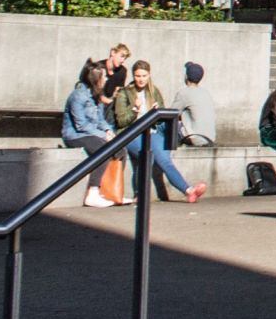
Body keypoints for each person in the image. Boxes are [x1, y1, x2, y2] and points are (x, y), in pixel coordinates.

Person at [110, 60, 205, 202]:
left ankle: (188, 190)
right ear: (133, 76)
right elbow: (121, 121)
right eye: (138, 76)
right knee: (148, 155)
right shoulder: (125, 93)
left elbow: (162, 118)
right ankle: (140, 194)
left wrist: (156, 113)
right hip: (131, 133)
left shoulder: (154, 91)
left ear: (149, 75)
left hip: (150, 132)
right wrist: (135, 109)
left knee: (165, 160)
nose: (141, 79)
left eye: (144, 76)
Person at [64, 58, 119, 208]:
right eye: (103, 76)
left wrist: (108, 130)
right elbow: (81, 125)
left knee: (120, 149)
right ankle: (93, 192)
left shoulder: (96, 96)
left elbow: (100, 119)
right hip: (75, 136)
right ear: (95, 80)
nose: (106, 79)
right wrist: (103, 135)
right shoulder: (78, 96)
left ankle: (113, 191)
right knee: (104, 150)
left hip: (92, 133)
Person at [177, 62, 217, 147]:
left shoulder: (184, 93)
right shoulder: (206, 93)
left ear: (186, 76)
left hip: (195, 139)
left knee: (164, 125)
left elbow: (172, 113)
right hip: (210, 139)